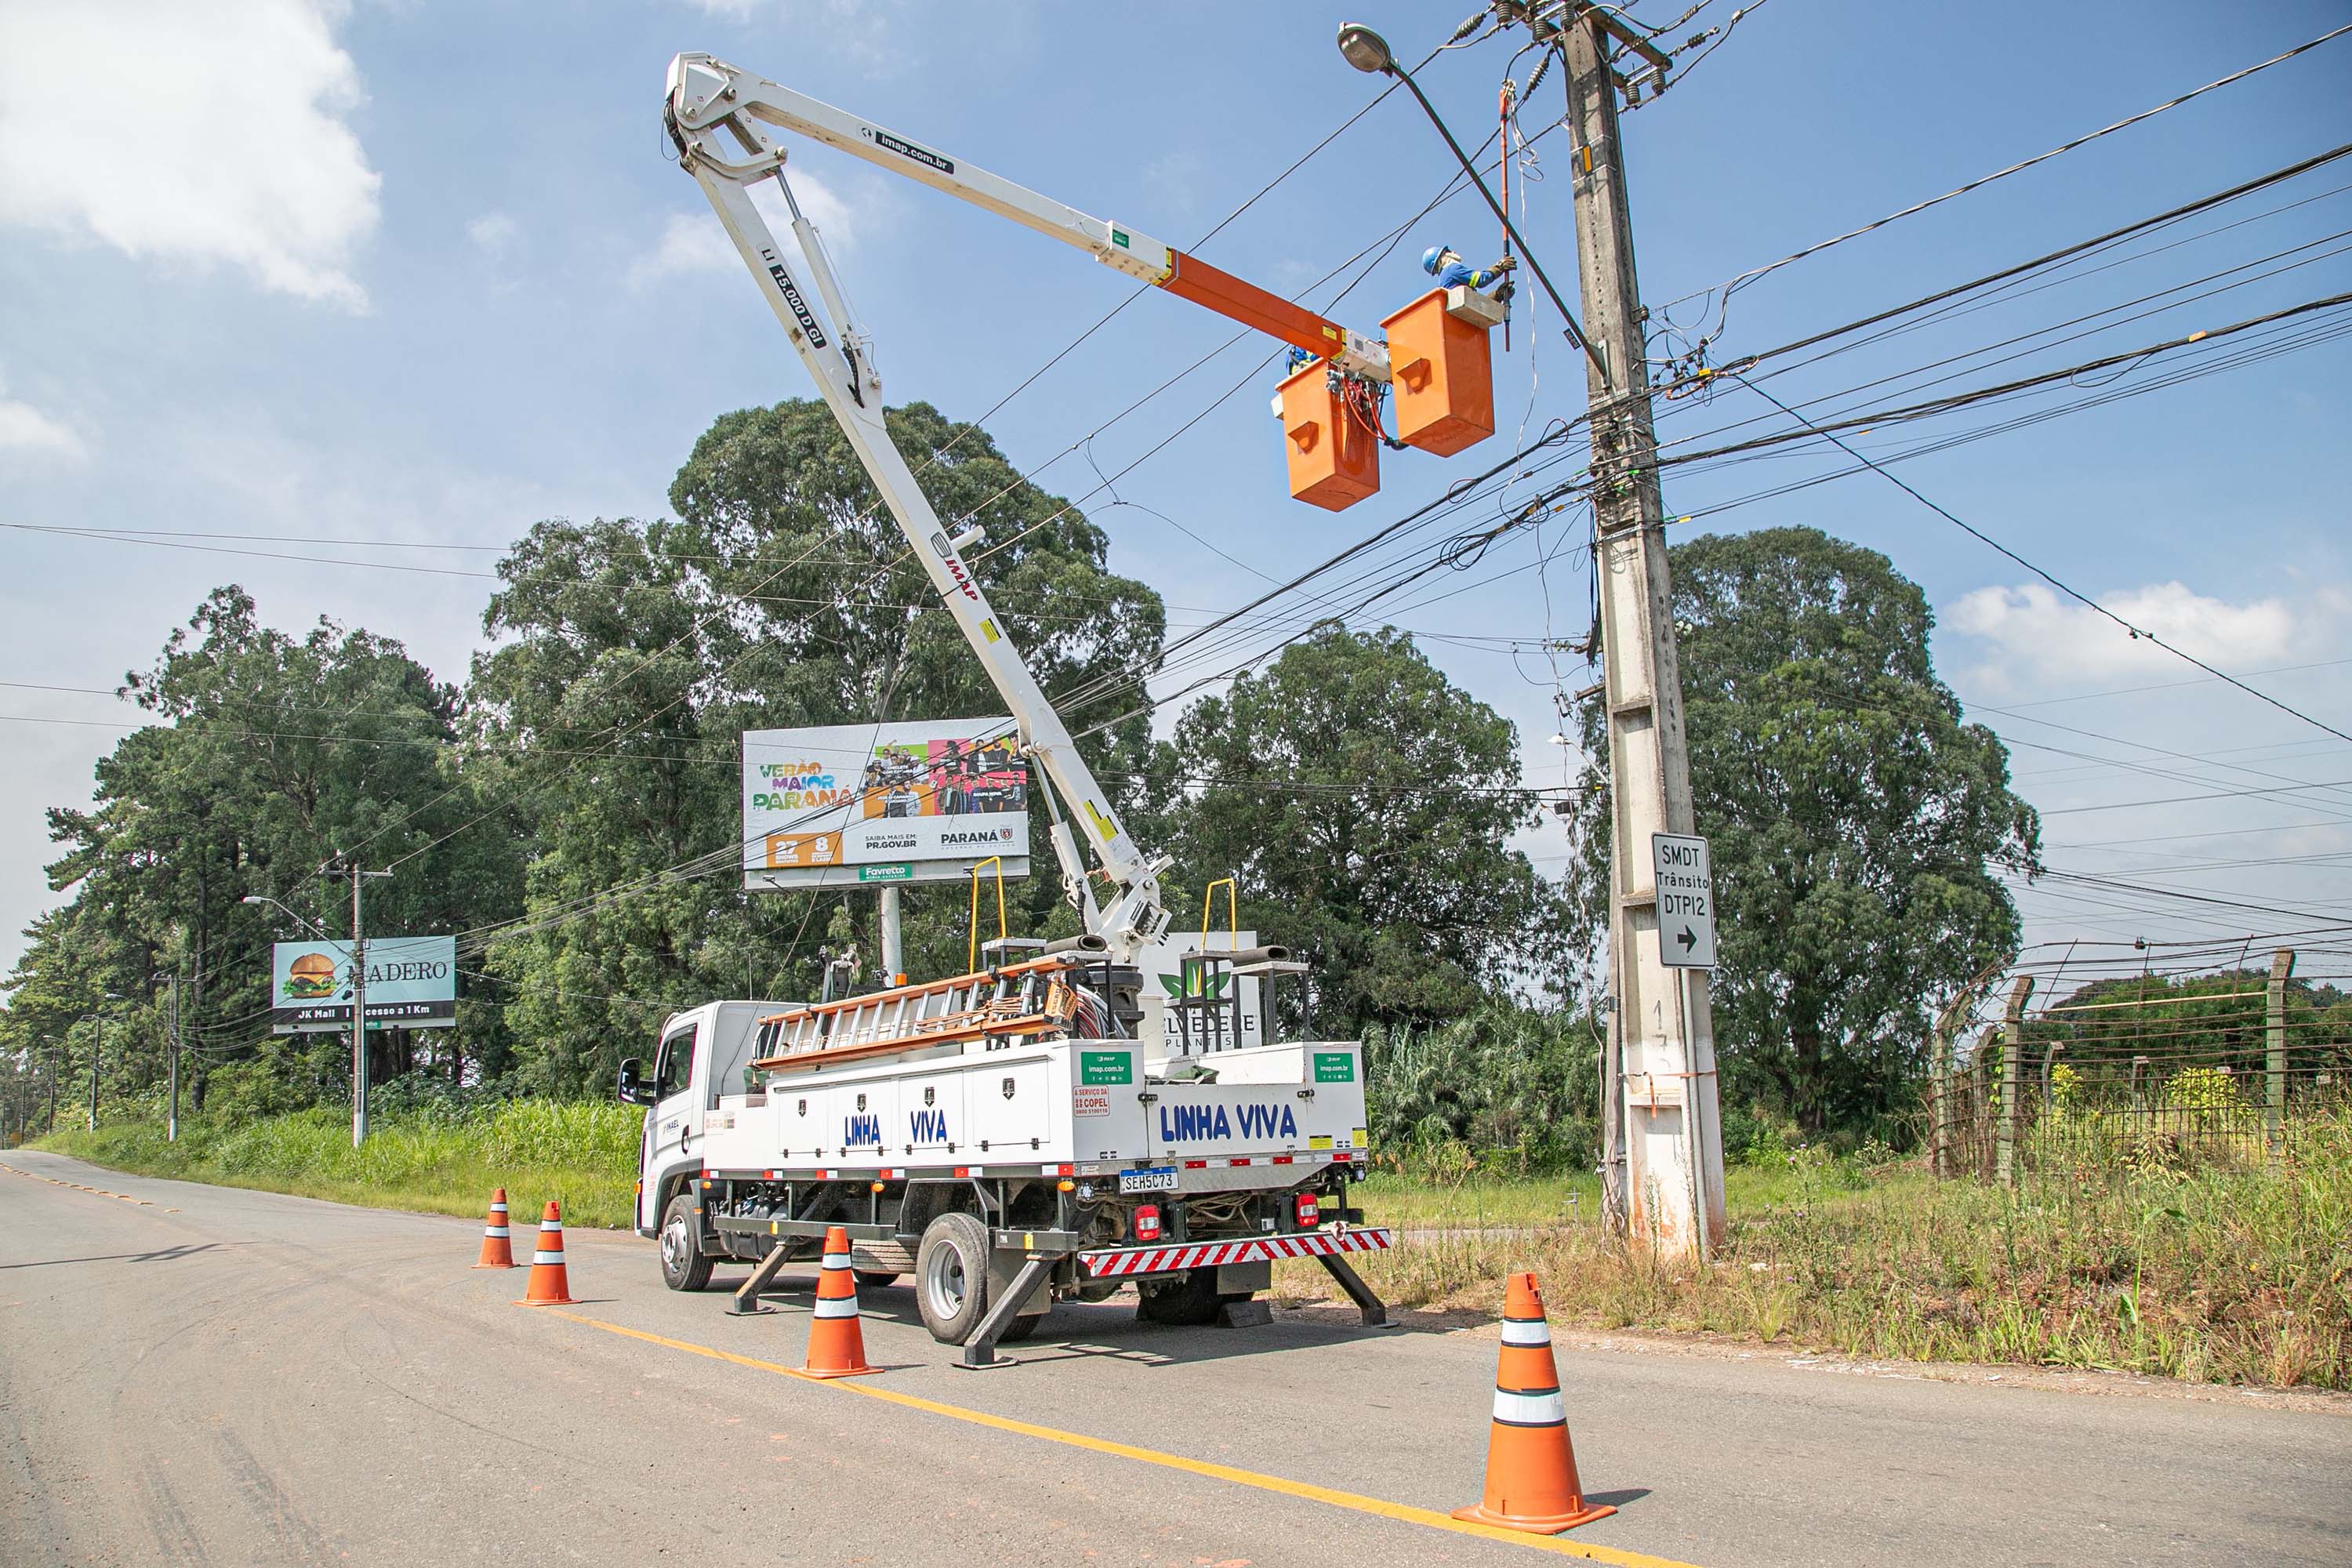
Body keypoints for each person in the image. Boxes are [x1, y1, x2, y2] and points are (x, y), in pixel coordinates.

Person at [1421, 243, 1515, 295]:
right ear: (1442, 257)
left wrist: (1497, 295)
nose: (1453, 252)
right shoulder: (1451, 270)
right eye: (1448, 251)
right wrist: (1500, 267)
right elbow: (1480, 280)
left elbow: (1474, 306)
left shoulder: (1444, 279)